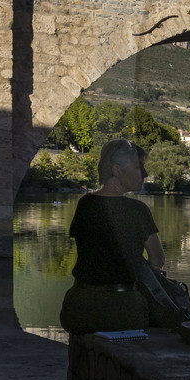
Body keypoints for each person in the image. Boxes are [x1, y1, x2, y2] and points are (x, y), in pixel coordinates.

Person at [59, 138, 165, 335]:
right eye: (137, 167)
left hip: (80, 305)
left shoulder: (85, 204)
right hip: (122, 309)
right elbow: (158, 260)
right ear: (116, 170)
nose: (145, 173)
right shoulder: (138, 210)